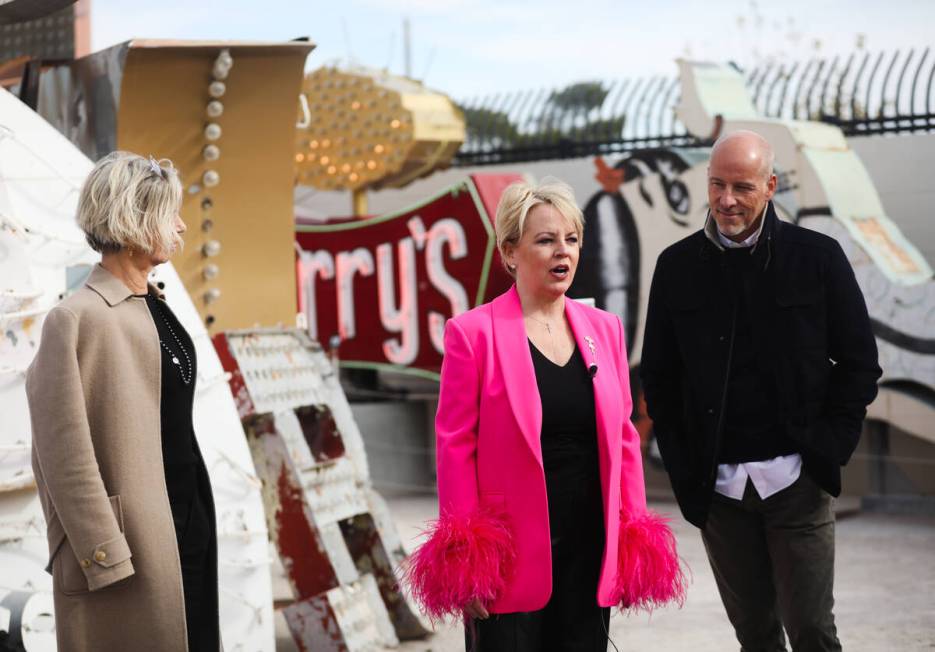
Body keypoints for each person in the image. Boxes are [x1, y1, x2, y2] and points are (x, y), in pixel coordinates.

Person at [404, 179, 685, 651]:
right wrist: (467, 561)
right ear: (510, 251)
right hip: (510, 561)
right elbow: (455, 448)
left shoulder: (605, 329)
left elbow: (622, 438)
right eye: (546, 240)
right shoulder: (473, 334)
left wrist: (632, 531)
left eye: (572, 239)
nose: (564, 252)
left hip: (588, 547)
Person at [640, 130, 882, 651]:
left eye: (743, 187)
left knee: (813, 631)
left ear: (770, 186)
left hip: (798, 483)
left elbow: (860, 362)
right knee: (754, 635)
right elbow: (658, 376)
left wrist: (829, 446)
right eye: (717, 185)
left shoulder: (817, 257)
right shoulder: (676, 267)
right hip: (720, 493)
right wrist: (685, 466)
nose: (727, 200)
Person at [26, 151, 220, 651]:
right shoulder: (76, 319)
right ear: (133, 220)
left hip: (185, 520)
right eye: (167, 214)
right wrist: (103, 550)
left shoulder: (152, 304)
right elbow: (62, 455)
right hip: (129, 544)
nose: (179, 226)